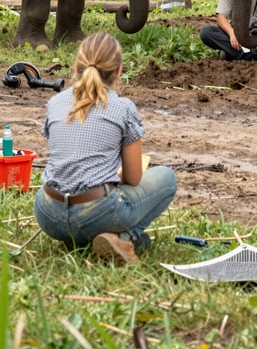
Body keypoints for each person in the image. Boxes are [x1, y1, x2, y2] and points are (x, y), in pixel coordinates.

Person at [34, 32, 177, 265]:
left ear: (76, 65)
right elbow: (132, 178)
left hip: (48, 214)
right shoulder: (122, 107)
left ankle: (75, 240)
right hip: (97, 212)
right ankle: (123, 238)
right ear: (119, 70)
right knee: (167, 178)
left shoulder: (55, 102)